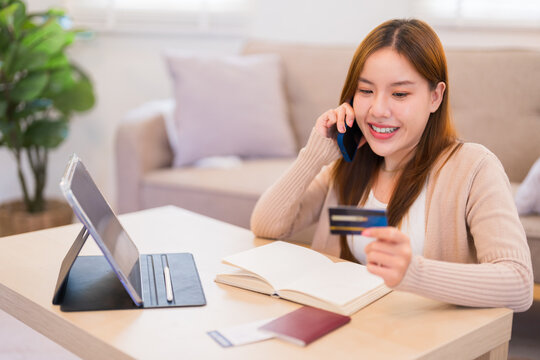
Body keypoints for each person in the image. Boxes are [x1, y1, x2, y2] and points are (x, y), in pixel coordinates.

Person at [250, 19, 533, 312]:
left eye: (399, 94)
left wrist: (414, 273)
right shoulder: (349, 166)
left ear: (435, 97)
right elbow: (267, 226)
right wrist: (313, 157)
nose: (378, 110)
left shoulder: (474, 168)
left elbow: (519, 284)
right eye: (366, 91)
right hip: (352, 333)